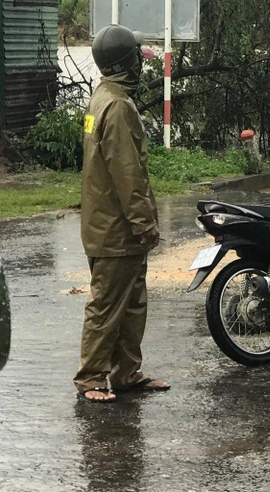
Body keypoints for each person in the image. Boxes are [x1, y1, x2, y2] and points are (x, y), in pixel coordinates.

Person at [74, 24, 169, 403]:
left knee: (132, 304)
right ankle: (91, 378)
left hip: (112, 227)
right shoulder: (117, 106)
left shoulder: (103, 97)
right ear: (126, 62)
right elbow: (126, 172)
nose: (141, 64)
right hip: (115, 230)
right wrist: (144, 222)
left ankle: (127, 373)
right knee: (107, 305)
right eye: (136, 57)